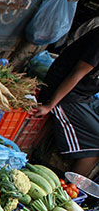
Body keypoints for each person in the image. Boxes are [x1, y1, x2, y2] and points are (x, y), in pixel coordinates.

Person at [32, 26, 99, 177]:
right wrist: (50, 105)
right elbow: (77, 73)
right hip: (65, 94)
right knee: (96, 142)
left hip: (84, 96)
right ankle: (71, 191)